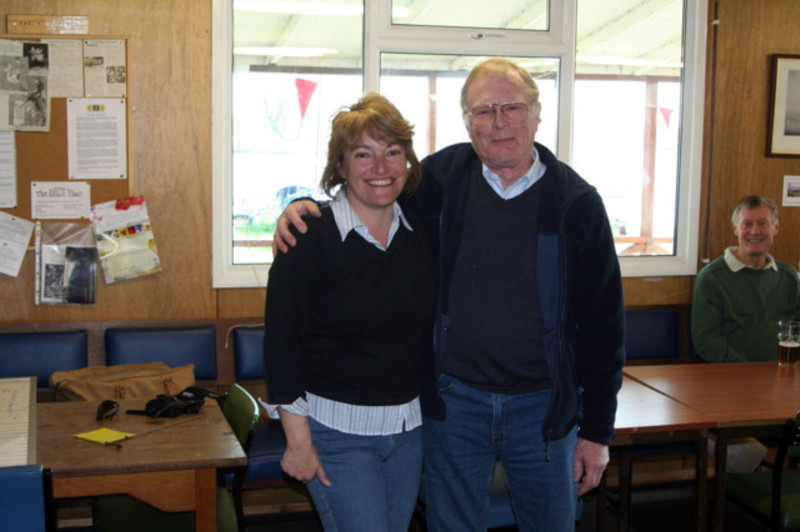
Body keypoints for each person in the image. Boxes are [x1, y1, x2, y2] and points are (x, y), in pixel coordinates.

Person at [274, 58, 625, 531]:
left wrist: (597, 431)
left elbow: (605, 327)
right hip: (455, 405)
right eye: (484, 111)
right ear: (467, 122)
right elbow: (371, 189)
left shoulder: (576, 202)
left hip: (542, 409)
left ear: (537, 114)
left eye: (512, 107)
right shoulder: (441, 181)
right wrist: (303, 208)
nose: (498, 122)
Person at [263, 93, 435, 532]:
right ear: (340, 166)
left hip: (409, 431)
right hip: (337, 435)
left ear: (407, 161)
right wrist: (298, 442)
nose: (380, 167)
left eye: (392, 152)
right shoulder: (307, 236)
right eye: (363, 154)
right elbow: (282, 345)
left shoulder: (421, 231)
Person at [692, 195, 800, 363]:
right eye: (747, 224)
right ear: (736, 229)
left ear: (776, 228)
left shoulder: (790, 276)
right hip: (734, 373)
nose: (754, 231)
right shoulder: (711, 278)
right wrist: (749, 371)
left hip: (786, 370)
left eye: (763, 223)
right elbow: (707, 342)